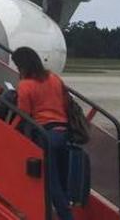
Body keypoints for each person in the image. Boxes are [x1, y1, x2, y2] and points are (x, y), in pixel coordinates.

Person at [11, 47, 73, 220]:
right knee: (62, 182)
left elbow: (24, 114)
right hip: (63, 133)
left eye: (17, 65)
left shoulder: (25, 85)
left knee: (51, 185)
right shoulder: (54, 78)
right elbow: (66, 102)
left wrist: (9, 128)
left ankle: (67, 217)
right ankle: (66, 212)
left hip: (46, 136)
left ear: (22, 65)